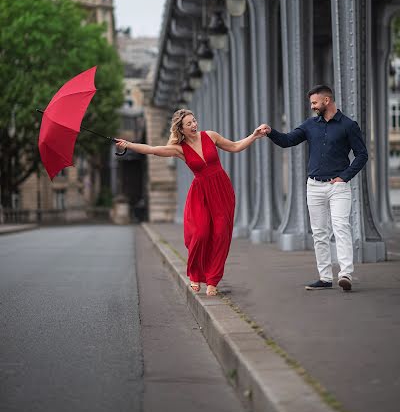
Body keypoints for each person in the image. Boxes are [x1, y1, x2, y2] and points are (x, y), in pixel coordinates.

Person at [115, 109, 267, 296]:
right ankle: (195, 274)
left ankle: (212, 280)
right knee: (201, 234)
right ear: (181, 129)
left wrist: (253, 136)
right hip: (200, 194)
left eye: (194, 121)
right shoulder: (179, 149)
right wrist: (128, 145)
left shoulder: (210, 136)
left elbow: (235, 146)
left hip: (222, 190)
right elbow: (152, 150)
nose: (194, 125)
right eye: (189, 124)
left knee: (221, 235)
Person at [264, 85, 368, 292]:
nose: (312, 107)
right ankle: (325, 277)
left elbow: (362, 154)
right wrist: (270, 132)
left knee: (341, 227)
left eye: (314, 103)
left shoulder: (348, 125)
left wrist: (344, 177)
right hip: (314, 186)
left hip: (338, 187)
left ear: (327, 101)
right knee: (319, 233)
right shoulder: (310, 125)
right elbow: (287, 140)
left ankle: (345, 273)